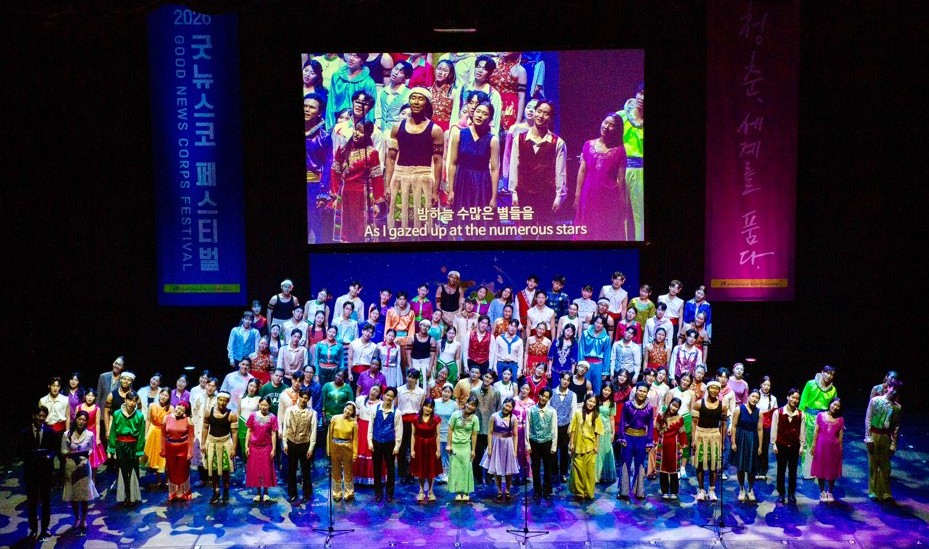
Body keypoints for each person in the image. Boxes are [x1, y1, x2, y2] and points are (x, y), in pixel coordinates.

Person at [385, 87, 444, 232]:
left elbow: (438, 162)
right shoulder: (397, 127)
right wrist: (387, 186)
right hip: (400, 180)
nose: (416, 102)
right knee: (398, 225)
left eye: (420, 99)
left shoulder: (435, 130)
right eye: (413, 98)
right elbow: (390, 160)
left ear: (427, 103)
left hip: (423, 181)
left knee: (423, 226)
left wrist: (435, 191)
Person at [507, 99, 566, 227]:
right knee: (527, 233)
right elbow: (514, 167)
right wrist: (514, 193)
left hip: (547, 196)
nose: (541, 116)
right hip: (524, 194)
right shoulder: (519, 139)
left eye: (546, 113)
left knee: (546, 232)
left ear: (551, 118)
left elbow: (560, 172)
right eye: (539, 111)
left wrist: (559, 197)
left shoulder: (558, 142)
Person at [573, 112, 630, 240]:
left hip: (609, 199)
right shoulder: (588, 145)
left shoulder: (620, 150)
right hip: (588, 196)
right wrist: (577, 193)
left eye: (611, 125)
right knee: (586, 231)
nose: (606, 126)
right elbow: (582, 171)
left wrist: (622, 203)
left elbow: (621, 180)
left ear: (617, 129)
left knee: (604, 232)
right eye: (605, 122)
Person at [330, 118, 385, 243]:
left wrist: (376, 202)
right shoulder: (342, 149)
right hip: (344, 194)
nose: (356, 133)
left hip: (363, 196)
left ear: (368, 135)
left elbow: (376, 177)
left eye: (361, 131)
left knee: (362, 231)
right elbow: (335, 172)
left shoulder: (372, 153)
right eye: (356, 129)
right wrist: (334, 196)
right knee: (345, 230)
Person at [447, 100, 499, 214]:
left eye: (485, 114)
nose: (480, 115)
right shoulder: (459, 134)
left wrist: (494, 197)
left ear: (490, 119)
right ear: (473, 113)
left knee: (479, 218)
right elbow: (452, 163)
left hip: (482, 184)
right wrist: (450, 190)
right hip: (462, 182)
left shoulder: (492, 140)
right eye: (478, 111)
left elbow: (495, 170)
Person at [61, 410, 98, 535]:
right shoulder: (67, 434)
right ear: (76, 419)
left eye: (84, 420)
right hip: (71, 466)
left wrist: (87, 454)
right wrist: (71, 453)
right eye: (79, 419)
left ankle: (83, 519)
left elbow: (91, 449)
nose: (81, 422)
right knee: (73, 495)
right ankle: (76, 517)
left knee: (84, 495)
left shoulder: (90, 434)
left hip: (83, 466)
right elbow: (63, 450)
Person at [865, 379, 902, 501]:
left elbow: (896, 427)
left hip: (886, 436)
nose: (894, 391)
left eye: (897, 390)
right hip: (874, 434)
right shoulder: (875, 401)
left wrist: (893, 443)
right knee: (873, 464)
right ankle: (873, 491)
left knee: (885, 465)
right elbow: (868, 419)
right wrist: (868, 437)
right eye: (893, 388)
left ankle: (885, 492)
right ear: (888, 388)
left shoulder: (897, 408)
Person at [22, 406, 56, 541]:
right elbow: (20, 451)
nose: (41, 418)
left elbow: (54, 449)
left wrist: (48, 456)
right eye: (39, 415)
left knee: (46, 501)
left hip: (45, 472)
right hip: (31, 472)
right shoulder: (25, 433)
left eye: (43, 416)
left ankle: (45, 528)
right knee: (32, 502)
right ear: (34, 416)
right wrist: (31, 457)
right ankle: (33, 529)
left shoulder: (50, 432)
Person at [107, 391, 146, 507]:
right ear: (125, 400)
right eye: (129, 400)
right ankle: (125, 496)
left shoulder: (139, 416)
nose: (131, 403)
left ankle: (133, 496)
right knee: (122, 470)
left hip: (133, 445)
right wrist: (111, 448)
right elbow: (113, 432)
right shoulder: (117, 414)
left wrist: (139, 450)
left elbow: (141, 435)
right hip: (120, 444)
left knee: (133, 470)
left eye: (134, 401)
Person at [616, 82, 644, 239]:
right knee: (621, 212)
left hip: (641, 171)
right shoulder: (620, 117)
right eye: (641, 93)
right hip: (620, 169)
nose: (642, 98)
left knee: (641, 215)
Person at [691, 381, 728, 502]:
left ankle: (711, 489)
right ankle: (701, 490)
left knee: (714, 464)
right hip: (700, 435)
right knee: (700, 463)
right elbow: (694, 423)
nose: (714, 390)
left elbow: (723, 425)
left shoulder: (723, 406)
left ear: (719, 390)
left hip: (714, 436)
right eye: (712, 388)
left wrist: (722, 441)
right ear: (707, 389)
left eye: (716, 388)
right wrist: (693, 439)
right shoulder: (698, 404)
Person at [799, 365, 838, 479]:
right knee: (808, 444)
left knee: (823, 444)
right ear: (822, 372)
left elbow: (834, 406)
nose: (829, 376)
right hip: (810, 417)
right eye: (827, 373)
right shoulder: (810, 384)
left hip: (824, 419)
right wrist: (801, 416)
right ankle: (807, 471)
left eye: (832, 374)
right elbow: (803, 401)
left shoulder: (833, 389)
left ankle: (820, 470)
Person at [617, 383, 653, 500]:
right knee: (625, 463)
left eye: (644, 391)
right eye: (640, 391)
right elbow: (622, 421)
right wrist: (622, 437)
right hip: (628, 438)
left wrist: (649, 441)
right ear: (636, 391)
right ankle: (624, 492)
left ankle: (639, 491)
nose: (642, 393)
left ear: (647, 393)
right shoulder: (627, 405)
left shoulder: (649, 408)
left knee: (640, 464)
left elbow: (650, 425)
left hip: (641, 439)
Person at [480, 396, 520, 502]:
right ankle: (499, 490)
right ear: (503, 404)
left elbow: (515, 434)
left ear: (512, 408)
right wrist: (489, 447)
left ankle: (507, 490)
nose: (507, 408)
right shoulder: (494, 416)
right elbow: (490, 432)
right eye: (506, 405)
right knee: (496, 467)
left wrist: (515, 450)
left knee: (509, 469)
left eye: (509, 406)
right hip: (496, 443)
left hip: (508, 443)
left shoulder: (513, 418)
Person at [202, 391, 238, 504]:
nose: (222, 402)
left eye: (225, 400)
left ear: (228, 402)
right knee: (213, 469)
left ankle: (226, 490)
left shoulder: (232, 415)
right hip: (212, 443)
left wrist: (234, 449)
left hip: (225, 443)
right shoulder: (209, 412)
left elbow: (234, 433)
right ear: (217, 399)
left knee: (226, 470)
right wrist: (203, 443)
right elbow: (205, 428)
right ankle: (216, 491)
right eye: (220, 399)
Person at [771, 387, 805, 504]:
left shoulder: (801, 414)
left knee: (793, 470)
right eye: (793, 397)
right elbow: (774, 429)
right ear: (788, 397)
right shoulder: (778, 412)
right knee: (781, 470)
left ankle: (791, 493)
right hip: (781, 445)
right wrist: (773, 444)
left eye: (797, 398)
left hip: (794, 446)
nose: (795, 400)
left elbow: (802, 431)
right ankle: (781, 493)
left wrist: (802, 445)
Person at [283, 389, 317, 504]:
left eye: (306, 398)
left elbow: (313, 431)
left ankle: (307, 494)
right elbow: (286, 426)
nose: (304, 400)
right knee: (291, 470)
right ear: (298, 396)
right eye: (302, 397)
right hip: (291, 442)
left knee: (306, 470)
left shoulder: (312, 413)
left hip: (305, 444)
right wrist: (285, 442)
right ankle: (292, 493)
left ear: (308, 399)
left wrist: (311, 447)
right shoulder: (290, 410)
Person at [729, 388, 763, 503]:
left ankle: (750, 489)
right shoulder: (739, 409)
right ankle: (742, 488)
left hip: (752, 439)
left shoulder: (759, 412)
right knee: (741, 466)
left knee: (751, 467)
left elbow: (760, 429)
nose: (754, 399)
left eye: (757, 397)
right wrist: (733, 442)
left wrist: (760, 446)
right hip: (741, 438)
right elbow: (734, 426)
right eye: (753, 396)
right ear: (748, 396)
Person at [369, 386, 402, 503]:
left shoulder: (397, 412)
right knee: (377, 469)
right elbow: (370, 426)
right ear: (383, 395)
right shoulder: (375, 408)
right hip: (376, 442)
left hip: (390, 443)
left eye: (392, 396)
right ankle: (378, 493)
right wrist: (370, 442)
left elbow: (399, 430)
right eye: (387, 395)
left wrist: (397, 446)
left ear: (394, 398)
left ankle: (389, 494)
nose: (389, 398)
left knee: (390, 469)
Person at [327, 53, 377, 130]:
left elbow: (370, 110)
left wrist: (365, 129)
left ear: (362, 60)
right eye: (349, 54)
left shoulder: (368, 82)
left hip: (358, 126)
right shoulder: (336, 76)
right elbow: (331, 103)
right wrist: (330, 127)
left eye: (356, 56)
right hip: (338, 121)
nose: (351, 59)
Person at [568, 392, 604, 500]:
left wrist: (596, 446)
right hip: (578, 445)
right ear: (585, 401)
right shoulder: (578, 413)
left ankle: (589, 493)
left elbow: (597, 432)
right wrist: (571, 443)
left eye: (594, 402)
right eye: (589, 401)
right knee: (578, 470)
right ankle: (579, 493)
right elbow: (573, 429)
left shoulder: (596, 415)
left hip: (590, 446)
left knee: (589, 471)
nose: (591, 403)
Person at [810, 397, 844, 502]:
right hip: (821, 446)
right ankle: (822, 492)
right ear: (830, 404)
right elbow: (816, 431)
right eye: (834, 404)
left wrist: (840, 449)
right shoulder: (820, 415)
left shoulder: (840, 419)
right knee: (821, 468)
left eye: (838, 406)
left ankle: (830, 491)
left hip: (834, 448)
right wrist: (813, 445)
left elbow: (840, 436)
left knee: (832, 470)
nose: (835, 407)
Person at [447, 395, 481, 502]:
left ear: (475, 408)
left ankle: (466, 492)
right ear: (466, 403)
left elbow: (474, 435)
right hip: (455, 446)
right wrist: (449, 445)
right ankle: (458, 492)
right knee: (456, 469)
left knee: (466, 468)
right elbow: (450, 430)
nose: (470, 407)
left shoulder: (475, 419)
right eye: (469, 404)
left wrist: (473, 450)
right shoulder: (455, 414)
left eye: (473, 405)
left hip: (466, 446)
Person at [471, 371, 501, 486]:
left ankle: (489, 477)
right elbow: (471, 407)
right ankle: (477, 478)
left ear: (492, 380)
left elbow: (498, 409)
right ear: (483, 376)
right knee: (477, 454)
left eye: (490, 378)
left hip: (491, 428)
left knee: (490, 454)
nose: (487, 379)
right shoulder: (474, 391)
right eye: (486, 376)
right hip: (478, 427)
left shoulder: (496, 392)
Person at [397, 369, 427, 483]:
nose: (410, 379)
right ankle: (402, 473)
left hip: (415, 422)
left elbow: (422, 408)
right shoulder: (399, 390)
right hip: (402, 421)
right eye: (409, 376)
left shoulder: (421, 392)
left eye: (413, 377)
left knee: (414, 448)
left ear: (416, 380)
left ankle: (413, 472)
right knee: (402, 448)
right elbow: (396, 406)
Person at [410, 398, 443, 502]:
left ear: (433, 408)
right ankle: (421, 491)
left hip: (431, 446)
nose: (428, 409)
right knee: (420, 469)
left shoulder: (436, 419)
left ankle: (431, 491)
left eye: (430, 407)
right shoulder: (415, 419)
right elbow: (413, 435)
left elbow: (438, 435)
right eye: (426, 406)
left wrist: (438, 450)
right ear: (423, 406)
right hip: (419, 445)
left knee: (431, 469)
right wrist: (412, 450)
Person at [161, 401, 195, 502]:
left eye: (182, 410)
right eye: (178, 408)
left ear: (185, 412)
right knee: (171, 471)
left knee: (182, 471)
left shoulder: (188, 420)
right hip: (170, 448)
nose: (179, 411)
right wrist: (163, 449)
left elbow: (191, 438)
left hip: (183, 448)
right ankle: (173, 493)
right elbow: (162, 435)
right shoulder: (166, 418)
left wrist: (190, 452)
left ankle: (184, 493)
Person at [655, 397, 687, 500]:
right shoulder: (661, 416)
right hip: (662, 446)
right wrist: (655, 443)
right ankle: (664, 491)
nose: (673, 408)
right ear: (669, 404)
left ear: (679, 408)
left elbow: (682, 433)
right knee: (663, 470)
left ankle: (674, 492)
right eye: (673, 405)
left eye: (676, 407)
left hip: (674, 446)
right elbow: (656, 429)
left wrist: (682, 446)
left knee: (674, 471)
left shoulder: (680, 418)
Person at [327, 401, 359, 502]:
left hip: (347, 448)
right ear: (344, 408)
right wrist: (328, 448)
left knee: (348, 471)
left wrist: (355, 453)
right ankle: (336, 493)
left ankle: (349, 493)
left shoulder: (354, 423)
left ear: (353, 412)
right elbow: (329, 434)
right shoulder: (335, 418)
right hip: (335, 446)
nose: (348, 411)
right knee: (336, 471)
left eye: (351, 410)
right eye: (347, 408)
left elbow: (355, 439)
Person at [551, 372, 578, 483]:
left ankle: (563, 473)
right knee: (553, 450)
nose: (565, 381)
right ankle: (554, 473)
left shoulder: (572, 395)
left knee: (564, 451)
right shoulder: (552, 392)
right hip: (553, 426)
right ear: (560, 379)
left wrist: (571, 428)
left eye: (568, 380)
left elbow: (573, 412)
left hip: (566, 425)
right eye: (564, 379)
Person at [143, 387, 172, 490]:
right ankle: (159, 481)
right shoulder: (152, 405)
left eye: (166, 395)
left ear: (169, 397)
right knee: (155, 457)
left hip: (164, 434)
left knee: (165, 458)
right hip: (153, 432)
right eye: (162, 394)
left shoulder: (171, 408)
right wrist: (146, 434)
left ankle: (167, 481)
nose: (163, 397)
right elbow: (148, 420)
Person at [755, 376, 778, 480]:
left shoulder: (773, 399)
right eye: (764, 384)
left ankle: (763, 471)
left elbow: (775, 415)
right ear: (761, 384)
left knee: (764, 449)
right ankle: (754, 470)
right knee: (755, 448)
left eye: (768, 385)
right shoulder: (755, 395)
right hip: (755, 425)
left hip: (767, 427)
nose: (766, 387)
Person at [596, 385, 617, 485]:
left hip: (606, 430)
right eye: (605, 389)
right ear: (602, 389)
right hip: (597, 430)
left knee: (606, 452)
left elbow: (611, 419)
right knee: (597, 452)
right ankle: (596, 475)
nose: (606, 392)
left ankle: (604, 475)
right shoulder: (597, 399)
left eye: (609, 390)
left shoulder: (612, 403)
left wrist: (613, 432)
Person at [238, 379, 262, 462]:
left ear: (257, 388)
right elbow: (238, 413)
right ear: (247, 385)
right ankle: (245, 465)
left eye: (254, 387)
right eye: (250, 385)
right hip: (242, 424)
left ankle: (253, 466)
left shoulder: (259, 399)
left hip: (253, 426)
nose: (252, 388)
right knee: (243, 448)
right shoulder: (241, 397)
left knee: (252, 448)